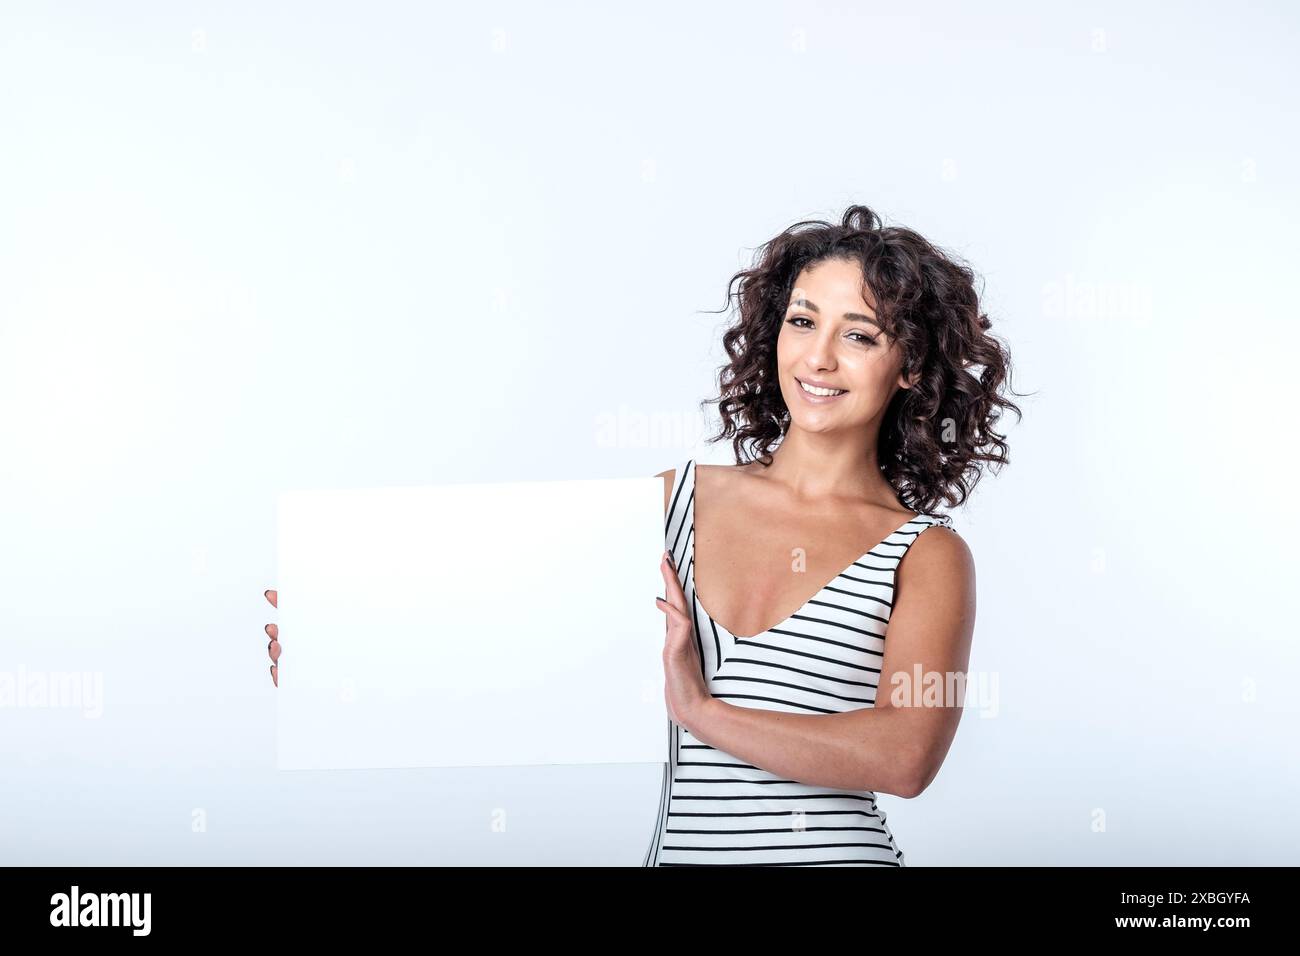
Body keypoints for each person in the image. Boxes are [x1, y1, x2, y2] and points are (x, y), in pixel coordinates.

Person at [262, 203, 1021, 867]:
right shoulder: (671, 503)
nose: (818, 357)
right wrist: (338, 654)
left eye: (859, 335)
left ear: (911, 366)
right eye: (802, 321)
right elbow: (513, 636)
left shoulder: (926, 553)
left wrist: (703, 711)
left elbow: (907, 755)